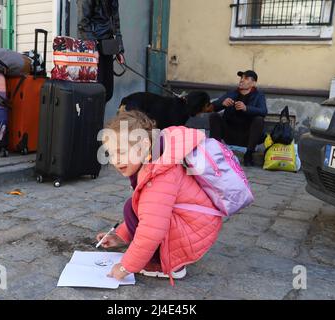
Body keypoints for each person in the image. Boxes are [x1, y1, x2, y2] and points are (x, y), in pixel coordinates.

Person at [97, 111, 222, 285]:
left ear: (144, 144)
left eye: (122, 152)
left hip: (192, 233)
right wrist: (121, 236)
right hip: (192, 226)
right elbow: (149, 213)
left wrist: (126, 267)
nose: (116, 161)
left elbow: (151, 229)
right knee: (134, 205)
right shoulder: (155, 161)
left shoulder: (158, 175)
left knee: (134, 208)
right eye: (110, 154)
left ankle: (167, 266)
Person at [209, 70, 267, 166]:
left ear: (253, 83)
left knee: (259, 120)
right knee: (214, 116)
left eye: (246, 78)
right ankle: (215, 153)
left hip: (247, 136)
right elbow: (213, 107)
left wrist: (246, 108)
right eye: (241, 78)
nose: (241, 80)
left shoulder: (259, 95)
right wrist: (222, 103)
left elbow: (263, 111)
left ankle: (248, 155)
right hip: (230, 133)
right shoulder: (232, 92)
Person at [78, 0, 125, 102]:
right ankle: (92, 117)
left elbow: (115, 21)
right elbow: (83, 24)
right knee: (95, 91)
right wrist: (92, 48)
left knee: (107, 91)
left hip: (107, 45)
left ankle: (99, 116)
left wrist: (119, 48)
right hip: (93, 46)